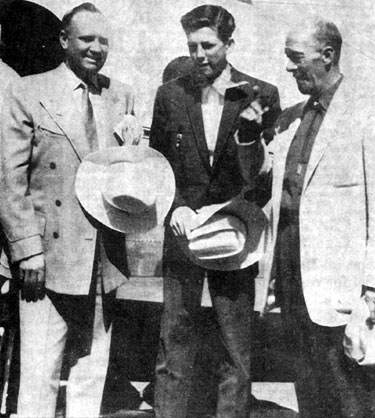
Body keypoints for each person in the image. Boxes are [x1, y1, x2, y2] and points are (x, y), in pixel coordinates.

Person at [0, 3, 136, 417]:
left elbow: (129, 182)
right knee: (39, 374)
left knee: (91, 373)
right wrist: (27, 251)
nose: (96, 49)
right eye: (86, 39)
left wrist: (134, 153)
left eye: (104, 41)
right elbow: (9, 180)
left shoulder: (122, 95)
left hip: (103, 259)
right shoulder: (27, 90)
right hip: (48, 259)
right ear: (63, 41)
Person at [238, 17, 375, 418]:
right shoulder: (290, 118)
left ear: (327, 55)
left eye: (296, 58)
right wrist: (248, 137)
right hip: (292, 280)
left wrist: (371, 288)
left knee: (351, 397)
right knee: (310, 392)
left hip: (342, 289)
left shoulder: (366, 113)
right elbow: (261, 181)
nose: (288, 68)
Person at [149, 5, 281, 418]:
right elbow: (157, 165)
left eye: (209, 45)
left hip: (234, 234)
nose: (200, 55)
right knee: (174, 345)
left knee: (235, 349)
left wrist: (234, 213)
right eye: (192, 47)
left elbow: (263, 176)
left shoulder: (261, 94)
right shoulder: (171, 94)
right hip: (182, 232)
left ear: (229, 43)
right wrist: (176, 207)